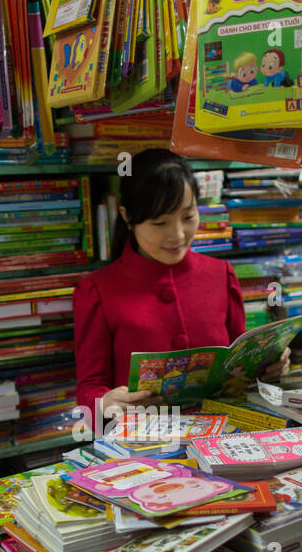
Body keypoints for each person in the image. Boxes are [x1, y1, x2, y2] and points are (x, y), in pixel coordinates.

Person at [73, 149, 288, 422]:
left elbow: (239, 364)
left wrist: (269, 366)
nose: (177, 235)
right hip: (143, 441)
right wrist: (104, 402)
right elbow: (89, 389)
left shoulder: (221, 274)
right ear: (127, 217)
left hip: (223, 430)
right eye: (160, 222)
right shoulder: (97, 291)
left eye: (188, 217)